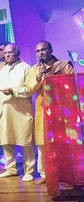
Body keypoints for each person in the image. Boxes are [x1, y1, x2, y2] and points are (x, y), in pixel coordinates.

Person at [26, 41, 74, 185]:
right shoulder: (35, 69)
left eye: (43, 50)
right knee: (42, 143)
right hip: (42, 109)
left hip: (61, 109)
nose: (40, 53)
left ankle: (65, 174)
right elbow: (30, 89)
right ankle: (45, 174)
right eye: (38, 51)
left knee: (62, 143)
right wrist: (38, 77)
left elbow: (72, 84)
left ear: (51, 49)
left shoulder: (64, 65)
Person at [0, 43, 35, 182]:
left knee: (25, 140)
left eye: (10, 52)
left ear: (17, 53)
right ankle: (11, 169)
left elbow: (30, 89)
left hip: (22, 111)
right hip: (5, 110)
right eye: (6, 53)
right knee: (6, 139)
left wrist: (13, 91)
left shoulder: (26, 68)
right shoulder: (3, 70)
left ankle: (29, 170)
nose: (7, 55)